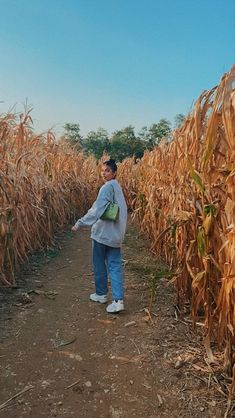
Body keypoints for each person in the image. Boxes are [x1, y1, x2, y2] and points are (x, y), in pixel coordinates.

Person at [72, 159, 128, 313]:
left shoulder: (106, 188)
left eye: (108, 170)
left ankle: (101, 294)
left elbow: (96, 210)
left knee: (99, 264)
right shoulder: (117, 187)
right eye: (103, 170)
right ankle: (118, 300)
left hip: (103, 234)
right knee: (115, 266)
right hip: (116, 235)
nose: (104, 173)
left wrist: (80, 223)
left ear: (114, 173)